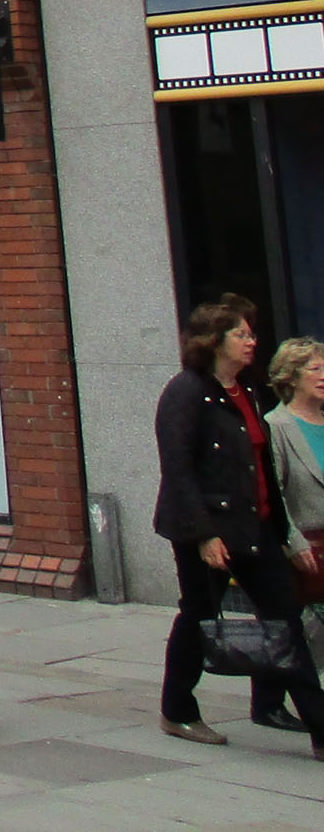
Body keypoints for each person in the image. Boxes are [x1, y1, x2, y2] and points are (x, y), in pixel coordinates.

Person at [156, 297, 324, 748]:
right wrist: (203, 534)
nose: (252, 342)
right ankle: (177, 710)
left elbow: (261, 466)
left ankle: (319, 727)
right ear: (215, 341)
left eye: (251, 334)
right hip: (209, 529)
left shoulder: (246, 390)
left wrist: (285, 534)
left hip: (256, 526)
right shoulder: (186, 391)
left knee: (286, 621)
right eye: (241, 334)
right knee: (199, 616)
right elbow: (178, 469)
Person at [266, 334, 324, 734]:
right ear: (291, 376)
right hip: (309, 545)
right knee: (305, 628)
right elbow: (276, 493)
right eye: (315, 369)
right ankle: (280, 699)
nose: (323, 376)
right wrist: (293, 542)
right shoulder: (278, 426)